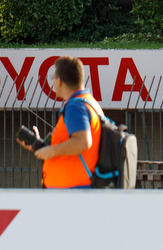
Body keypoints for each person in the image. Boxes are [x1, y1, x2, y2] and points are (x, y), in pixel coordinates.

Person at [20, 56, 102, 189]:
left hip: (72, 188)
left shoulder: (75, 106)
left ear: (59, 81)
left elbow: (82, 142)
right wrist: (43, 147)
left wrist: (51, 151)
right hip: (76, 186)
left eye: (53, 77)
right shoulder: (88, 102)